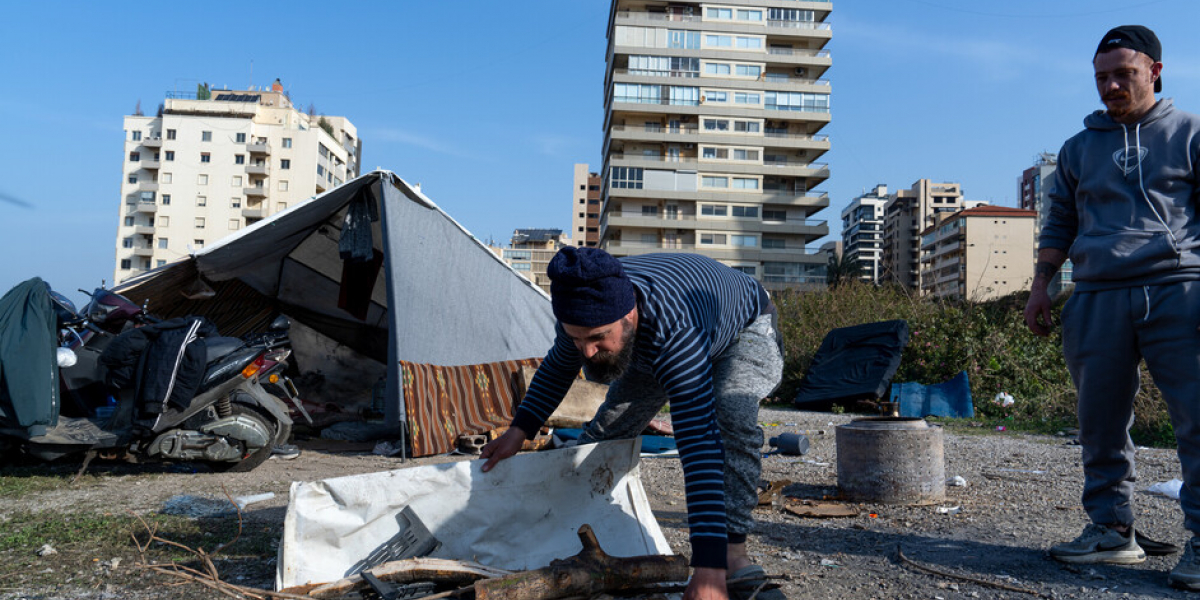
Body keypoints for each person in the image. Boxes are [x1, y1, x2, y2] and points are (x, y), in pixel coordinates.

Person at [481, 247, 784, 600]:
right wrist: (519, 431)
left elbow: (699, 445)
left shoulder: (675, 332)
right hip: (652, 336)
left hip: (743, 328)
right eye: (578, 339)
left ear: (628, 314)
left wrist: (708, 568)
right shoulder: (580, 308)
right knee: (606, 433)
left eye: (597, 337)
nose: (588, 352)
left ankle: (732, 554)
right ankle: (573, 524)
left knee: (730, 415)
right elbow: (558, 367)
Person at [1024, 25, 1200, 590]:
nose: (1112, 86)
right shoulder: (1078, 149)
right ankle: (1111, 529)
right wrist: (1041, 285)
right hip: (1097, 294)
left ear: (1155, 72)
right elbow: (1060, 222)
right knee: (1098, 423)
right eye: (1102, 77)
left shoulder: (1191, 132)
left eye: (1124, 74)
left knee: (1196, 420)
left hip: (1179, 288)